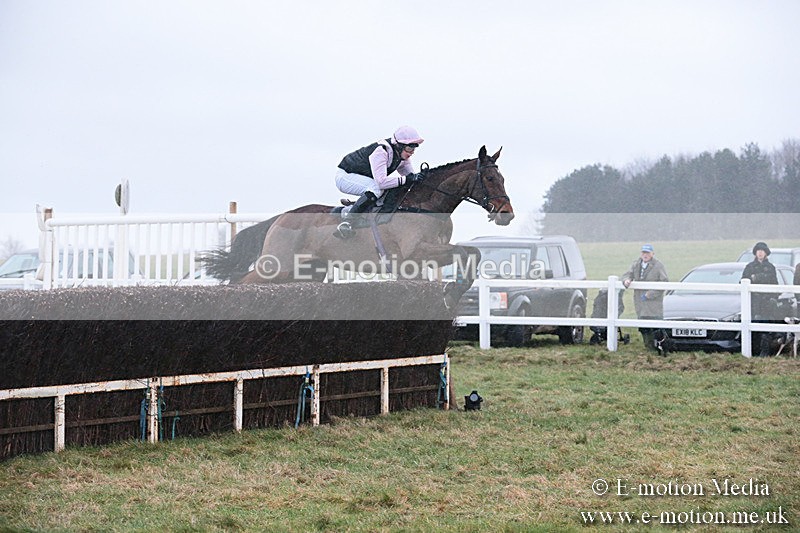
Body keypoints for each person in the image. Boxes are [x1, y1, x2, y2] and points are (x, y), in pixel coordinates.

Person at [333, 126, 425, 239]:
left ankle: (349, 209)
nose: (412, 152)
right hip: (345, 177)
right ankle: (347, 222)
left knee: (388, 187)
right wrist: (408, 179)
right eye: (409, 148)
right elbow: (382, 182)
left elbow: (411, 177)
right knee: (376, 188)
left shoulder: (401, 157)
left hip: (362, 178)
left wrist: (419, 178)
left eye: (414, 148)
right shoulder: (381, 152)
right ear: (399, 145)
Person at [621, 244, 670, 354]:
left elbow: (664, 282)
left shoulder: (658, 266)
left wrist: (650, 294)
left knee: (655, 327)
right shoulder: (636, 264)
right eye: (643, 252)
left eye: (647, 253)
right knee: (643, 327)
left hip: (653, 304)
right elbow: (627, 275)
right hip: (640, 303)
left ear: (652, 254)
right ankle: (648, 348)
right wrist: (627, 280)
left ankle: (659, 348)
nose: (645, 255)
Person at [741, 241, 779, 356]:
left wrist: (773, 298)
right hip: (754, 302)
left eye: (762, 251)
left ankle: (765, 351)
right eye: (758, 251)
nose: (760, 253)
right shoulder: (750, 267)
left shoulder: (770, 268)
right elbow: (742, 281)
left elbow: (775, 284)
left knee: (765, 326)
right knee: (753, 324)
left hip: (766, 302)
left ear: (766, 253)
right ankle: (753, 351)